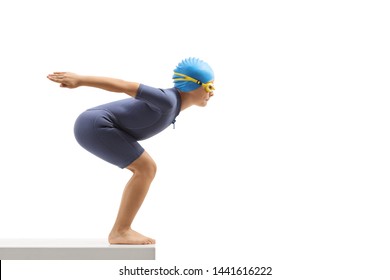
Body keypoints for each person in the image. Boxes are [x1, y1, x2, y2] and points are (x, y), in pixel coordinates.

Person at [47, 57, 215, 245]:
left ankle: (121, 230)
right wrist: (81, 80)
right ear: (192, 85)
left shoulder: (173, 106)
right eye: (209, 87)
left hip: (98, 125)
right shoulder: (167, 100)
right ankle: (120, 231)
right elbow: (125, 85)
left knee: (146, 168)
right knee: (146, 168)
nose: (213, 93)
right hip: (94, 125)